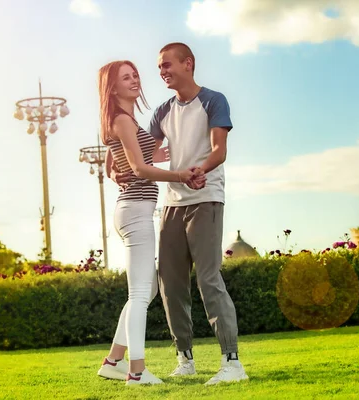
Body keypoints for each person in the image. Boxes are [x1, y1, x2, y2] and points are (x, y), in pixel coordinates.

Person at [110, 43, 249, 386]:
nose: (161, 72)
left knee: (208, 278)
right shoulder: (162, 111)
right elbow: (142, 150)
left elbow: (220, 150)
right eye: (159, 67)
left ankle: (231, 362)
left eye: (167, 65)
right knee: (170, 284)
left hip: (205, 198)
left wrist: (199, 170)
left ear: (188, 64)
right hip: (172, 204)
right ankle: (184, 358)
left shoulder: (214, 101)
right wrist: (115, 169)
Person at [95, 59, 205, 386]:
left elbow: (123, 164)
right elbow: (140, 170)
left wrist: (180, 149)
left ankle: (113, 360)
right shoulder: (121, 120)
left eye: (135, 75)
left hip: (133, 208)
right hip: (135, 208)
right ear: (112, 87)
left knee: (148, 289)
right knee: (141, 292)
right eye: (126, 78)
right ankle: (136, 371)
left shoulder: (123, 121)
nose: (135, 80)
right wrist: (180, 176)